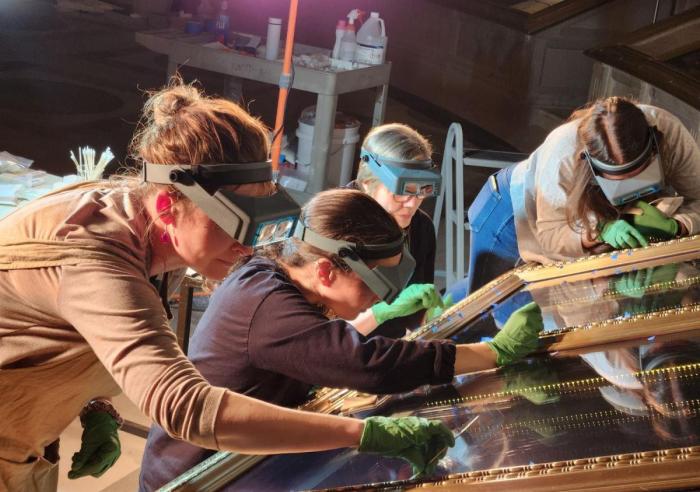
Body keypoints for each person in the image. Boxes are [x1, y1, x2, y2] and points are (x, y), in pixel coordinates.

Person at [0, 82, 453, 491]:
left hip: (30, 432)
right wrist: (363, 434)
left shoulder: (153, 230)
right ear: (168, 202)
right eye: (235, 225)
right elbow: (186, 408)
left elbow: (83, 326)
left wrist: (95, 404)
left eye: (260, 224)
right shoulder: (95, 256)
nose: (247, 247)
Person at [139, 188, 544, 490]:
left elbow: (313, 345)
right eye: (373, 285)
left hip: (242, 456)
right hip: (198, 476)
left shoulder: (273, 275)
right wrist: (493, 352)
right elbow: (367, 365)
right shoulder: (265, 305)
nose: (379, 298)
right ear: (326, 272)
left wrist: (376, 315)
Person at [449, 96, 700, 300]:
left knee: (484, 293)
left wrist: (678, 226)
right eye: (619, 181)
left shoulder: (670, 133)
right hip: (510, 213)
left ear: (654, 147)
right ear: (590, 165)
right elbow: (549, 235)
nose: (631, 192)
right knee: (489, 306)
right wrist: (598, 232)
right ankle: (427, 330)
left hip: (571, 215)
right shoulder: (563, 152)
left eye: (639, 176)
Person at [346, 123, 446, 338]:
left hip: (392, 347)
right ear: (366, 183)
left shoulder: (421, 227)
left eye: (421, 192)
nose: (412, 204)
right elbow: (319, 338)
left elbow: (417, 318)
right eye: (401, 193)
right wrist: (380, 313)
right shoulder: (332, 227)